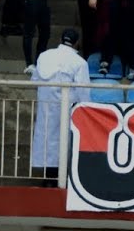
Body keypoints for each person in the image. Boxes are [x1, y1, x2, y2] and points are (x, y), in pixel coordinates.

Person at [31, 28, 90, 183]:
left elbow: (35, 80)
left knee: (46, 140)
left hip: (46, 107)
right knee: (63, 142)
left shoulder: (44, 56)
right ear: (77, 43)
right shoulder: (80, 63)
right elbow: (84, 93)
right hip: (67, 109)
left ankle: (47, 178)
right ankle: (60, 179)